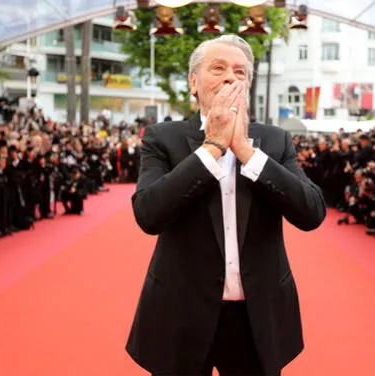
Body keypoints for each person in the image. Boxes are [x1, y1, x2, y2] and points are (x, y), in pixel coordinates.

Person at [126, 35, 326, 376]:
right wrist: (213, 146)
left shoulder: (275, 140)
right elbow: (148, 213)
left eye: (240, 72)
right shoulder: (162, 138)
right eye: (217, 68)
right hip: (181, 310)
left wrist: (248, 153)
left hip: (256, 315)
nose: (231, 78)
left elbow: (311, 212)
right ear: (193, 81)